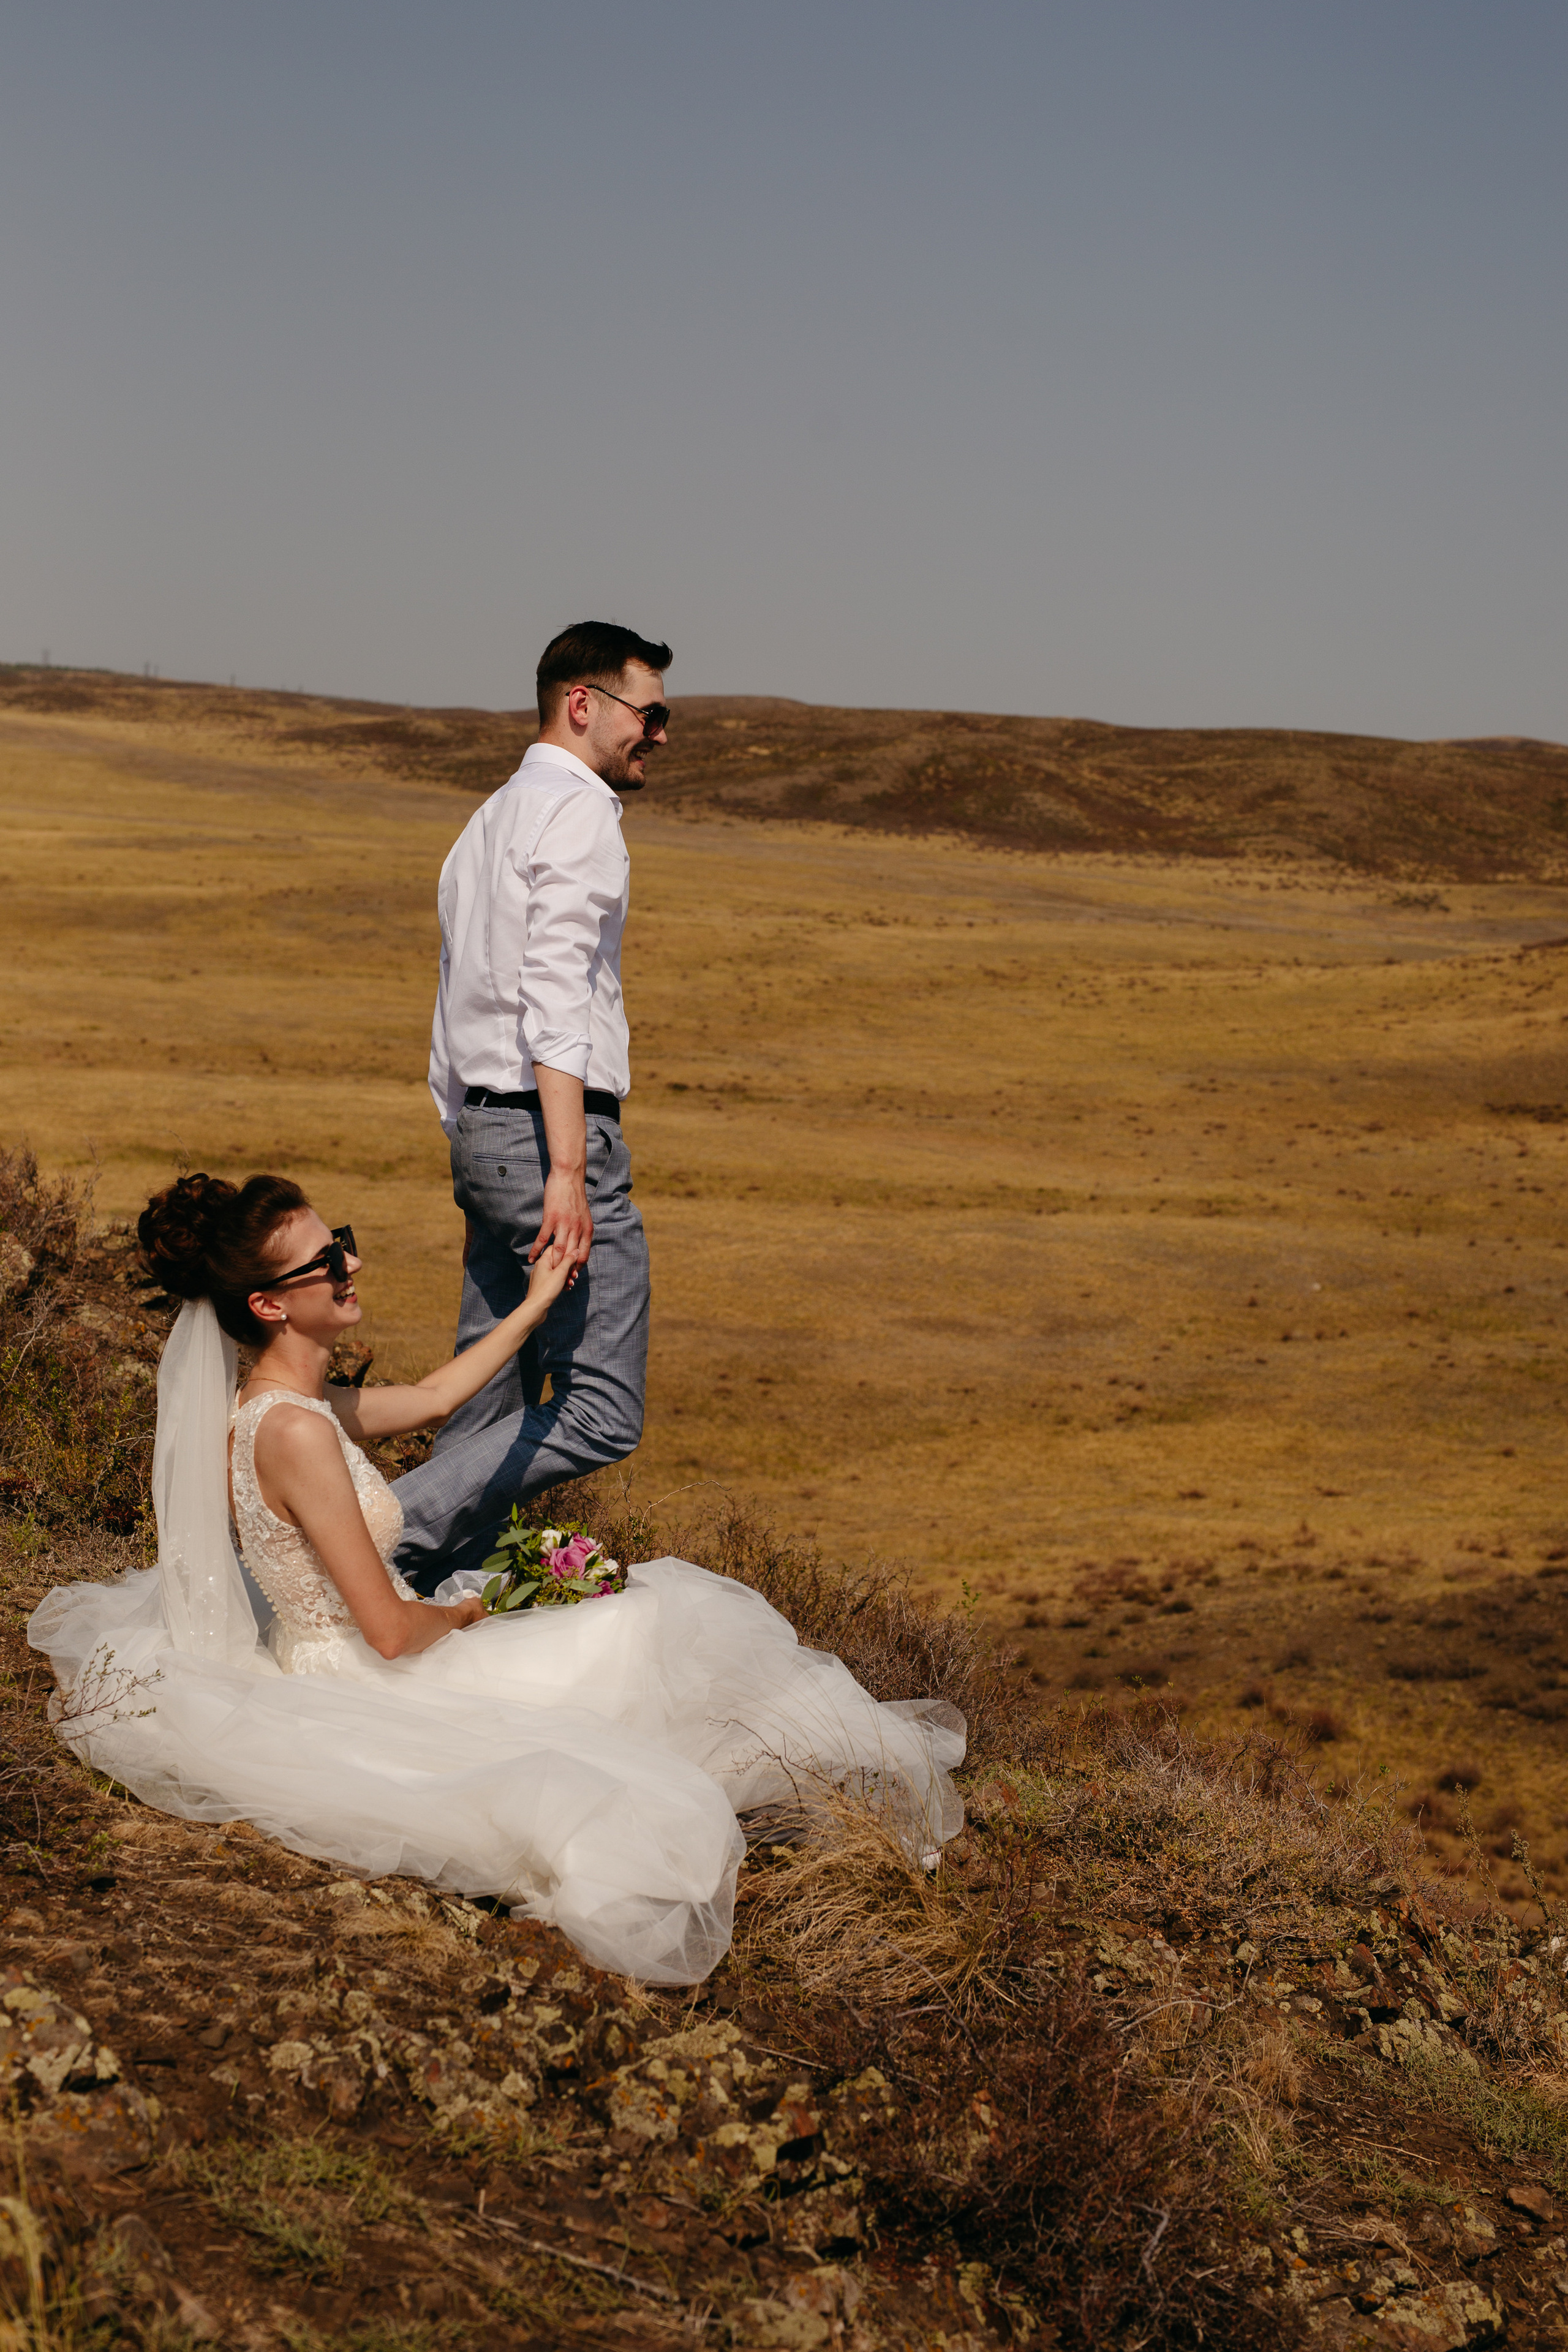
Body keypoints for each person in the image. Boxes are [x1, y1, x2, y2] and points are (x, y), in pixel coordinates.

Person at [29, 1174, 964, 1986]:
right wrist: (477, 1610)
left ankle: (822, 1790)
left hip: (356, 1648)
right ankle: (835, 1799)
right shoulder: (299, 1433)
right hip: (361, 1675)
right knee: (641, 1634)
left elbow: (435, 1400)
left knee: (628, 1636)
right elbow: (392, 1632)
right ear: (271, 1305)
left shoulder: (288, 1406)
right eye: (324, 1264)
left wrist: (533, 1303)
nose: (349, 1266)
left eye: (340, 1244)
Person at [393, 620, 670, 1594]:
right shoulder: (579, 813)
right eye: (651, 711)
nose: (662, 734)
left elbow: (455, 990)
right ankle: (376, 1538)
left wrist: (468, 1132)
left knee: (485, 1390)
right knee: (601, 1408)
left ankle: (437, 1595)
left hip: (484, 1127)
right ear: (583, 703)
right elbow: (553, 995)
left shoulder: (489, 818)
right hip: (552, 1138)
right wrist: (562, 1169)